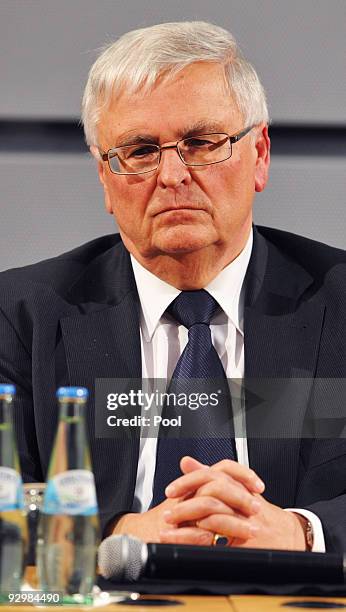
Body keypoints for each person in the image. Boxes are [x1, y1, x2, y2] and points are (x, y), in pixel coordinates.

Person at [0, 21, 345, 553]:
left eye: (202, 143)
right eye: (139, 151)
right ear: (104, 179)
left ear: (261, 155)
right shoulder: (22, 315)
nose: (173, 175)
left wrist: (304, 531)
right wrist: (112, 534)